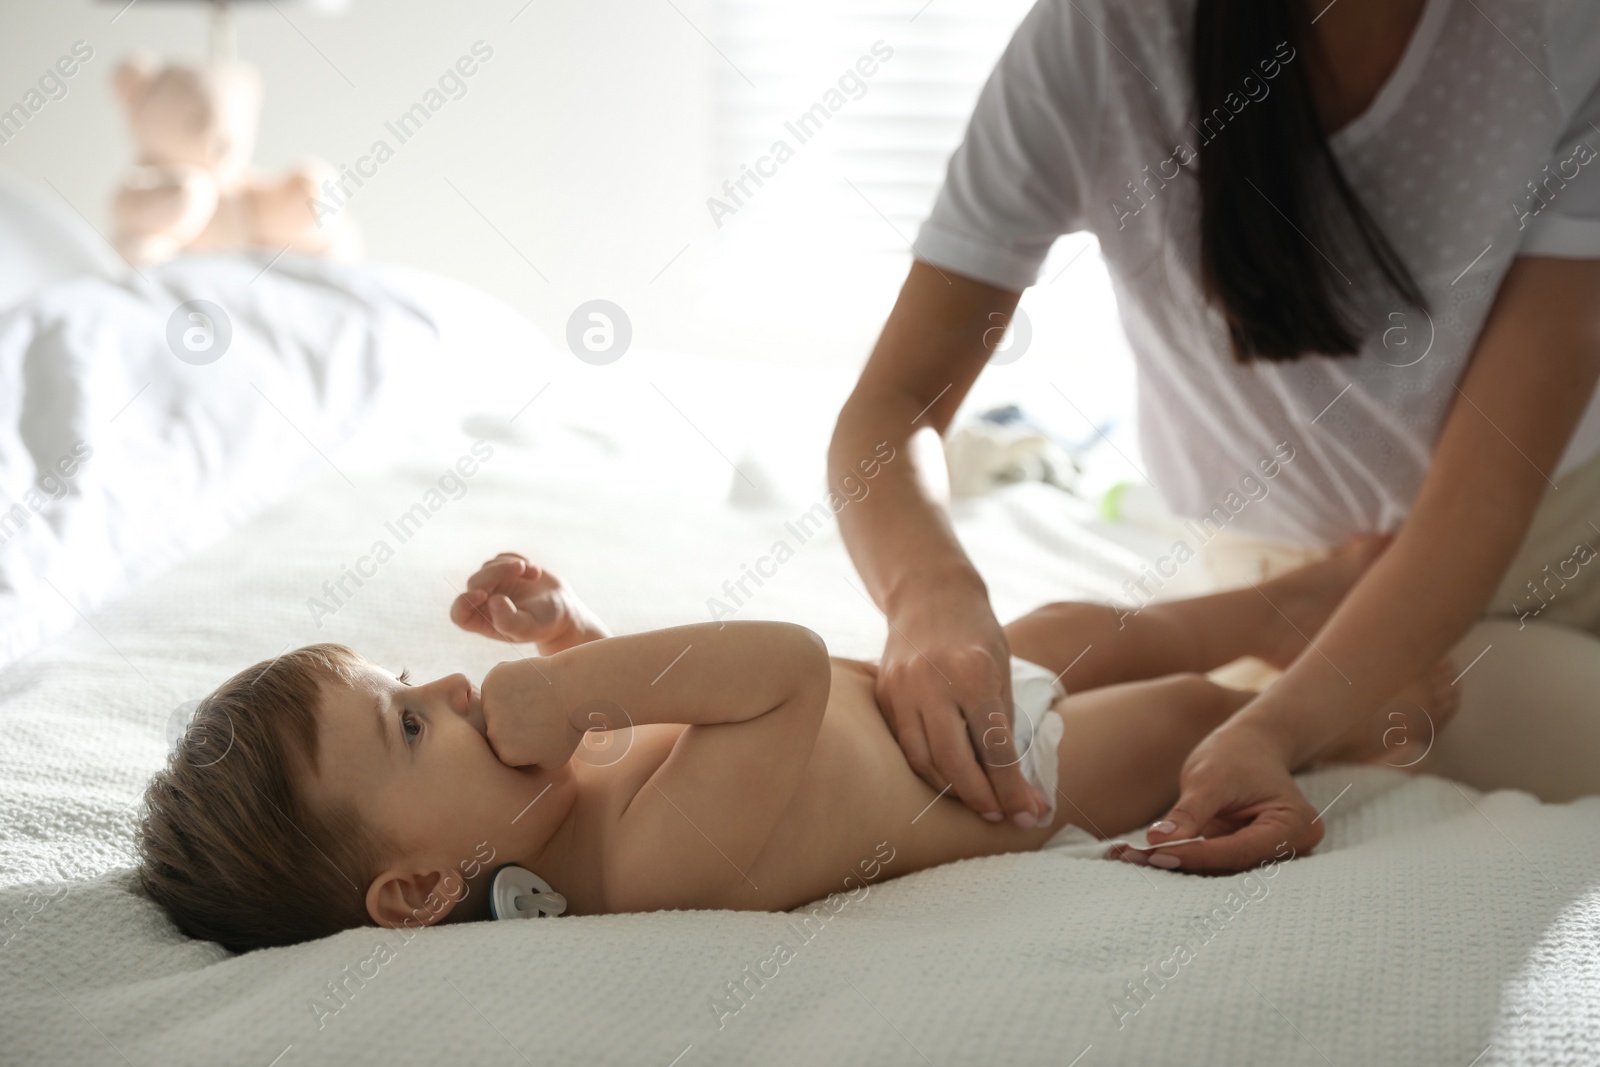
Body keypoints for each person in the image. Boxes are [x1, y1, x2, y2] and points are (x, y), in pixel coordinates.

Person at [828, 0, 1600, 872]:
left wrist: (1277, 726)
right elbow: (893, 402)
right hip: (1273, 567)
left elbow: (1485, 496)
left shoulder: (1564, 33)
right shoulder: (1099, 37)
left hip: (1553, 540)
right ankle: (1302, 618)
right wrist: (930, 593)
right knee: (1064, 691)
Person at [134, 542, 1440, 951]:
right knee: (1174, 708)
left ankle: (1280, 602)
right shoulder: (647, 868)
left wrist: (567, 638)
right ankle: (1352, 709)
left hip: (936, 692)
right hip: (1012, 780)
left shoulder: (558, 797)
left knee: (1059, 620)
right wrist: (584, 682)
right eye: (406, 719)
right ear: (419, 884)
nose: (443, 679)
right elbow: (778, 671)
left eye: (404, 674)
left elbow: (658, 707)